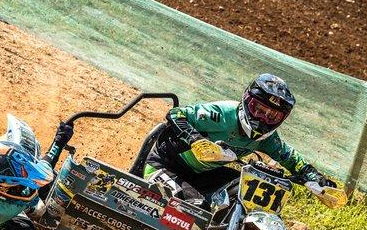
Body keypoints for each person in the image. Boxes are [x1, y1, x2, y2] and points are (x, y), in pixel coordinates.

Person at [144, 73, 337, 206]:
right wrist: (194, 139)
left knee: (246, 191)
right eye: (259, 110)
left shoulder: (268, 139)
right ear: (246, 100)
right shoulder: (222, 114)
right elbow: (176, 114)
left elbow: (292, 160)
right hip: (165, 165)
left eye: (272, 116)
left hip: (204, 175)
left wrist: (318, 179)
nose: (263, 119)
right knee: (194, 207)